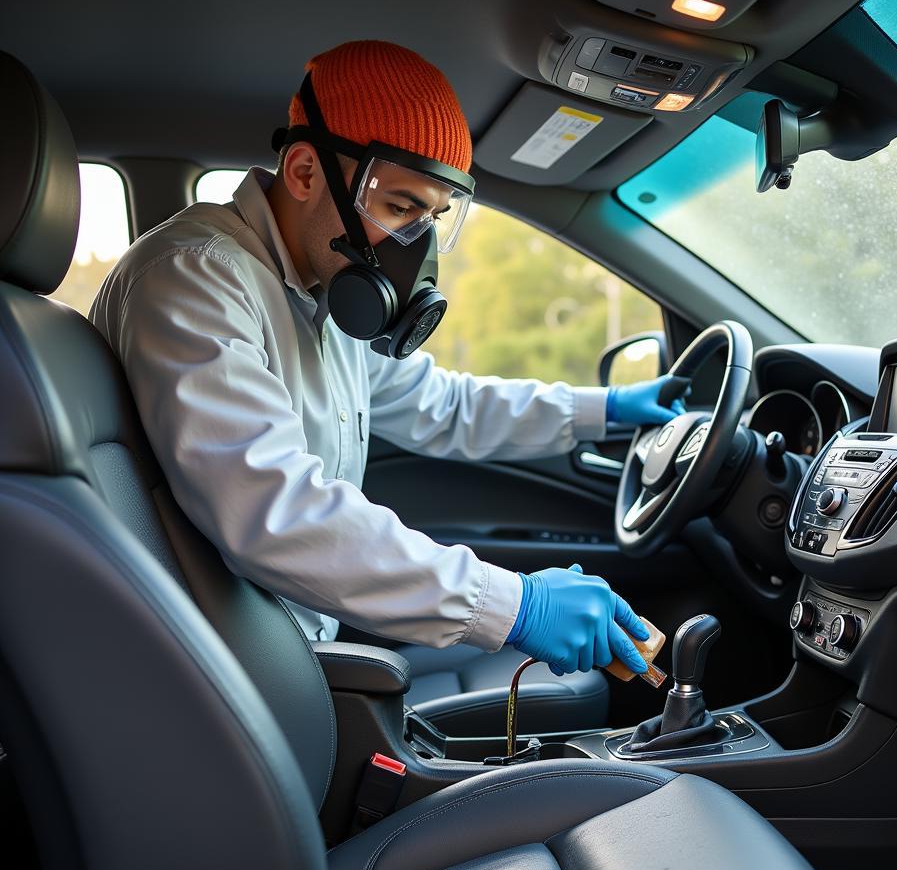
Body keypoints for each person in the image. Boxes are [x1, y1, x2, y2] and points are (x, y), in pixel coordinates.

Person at [90, 40, 687, 679]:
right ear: (304, 173)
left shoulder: (322, 293)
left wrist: (608, 410)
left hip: (282, 651)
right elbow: (272, 510)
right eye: (399, 207)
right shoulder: (196, 278)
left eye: (431, 218)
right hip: (220, 673)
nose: (413, 245)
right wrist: (515, 607)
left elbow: (442, 405)